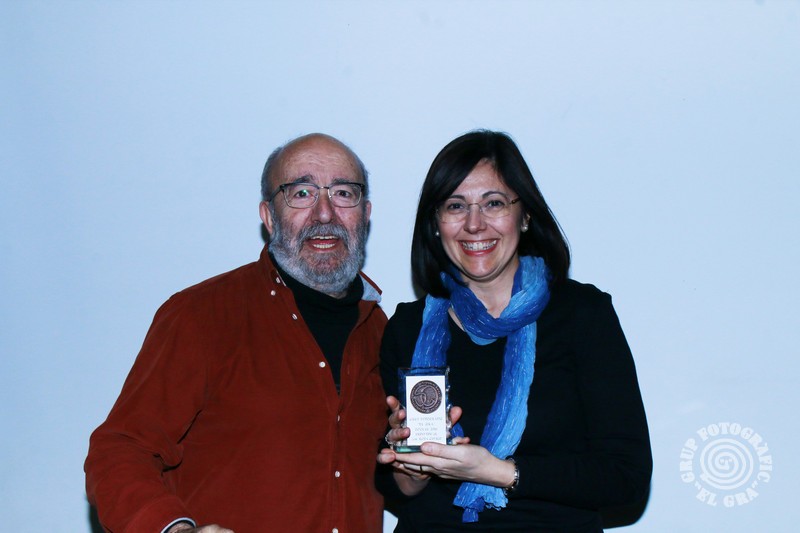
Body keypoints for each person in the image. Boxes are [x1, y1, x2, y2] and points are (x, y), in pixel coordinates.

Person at [85, 133, 388, 533]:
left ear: (365, 214)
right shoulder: (201, 315)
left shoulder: (383, 332)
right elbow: (120, 449)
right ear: (269, 216)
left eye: (344, 193)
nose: (324, 213)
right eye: (301, 193)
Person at [377, 130, 652, 531]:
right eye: (455, 206)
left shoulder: (583, 315)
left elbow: (625, 478)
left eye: (494, 203)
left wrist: (499, 472)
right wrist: (411, 465)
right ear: (435, 223)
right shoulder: (407, 327)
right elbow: (397, 487)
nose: (474, 224)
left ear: (525, 216)